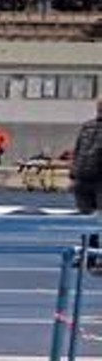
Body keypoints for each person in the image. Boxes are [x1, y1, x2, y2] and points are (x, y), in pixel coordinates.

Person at [69, 100, 102, 273]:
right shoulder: (88, 126)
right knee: (86, 221)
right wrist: (73, 175)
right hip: (83, 179)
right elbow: (78, 150)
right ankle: (89, 256)